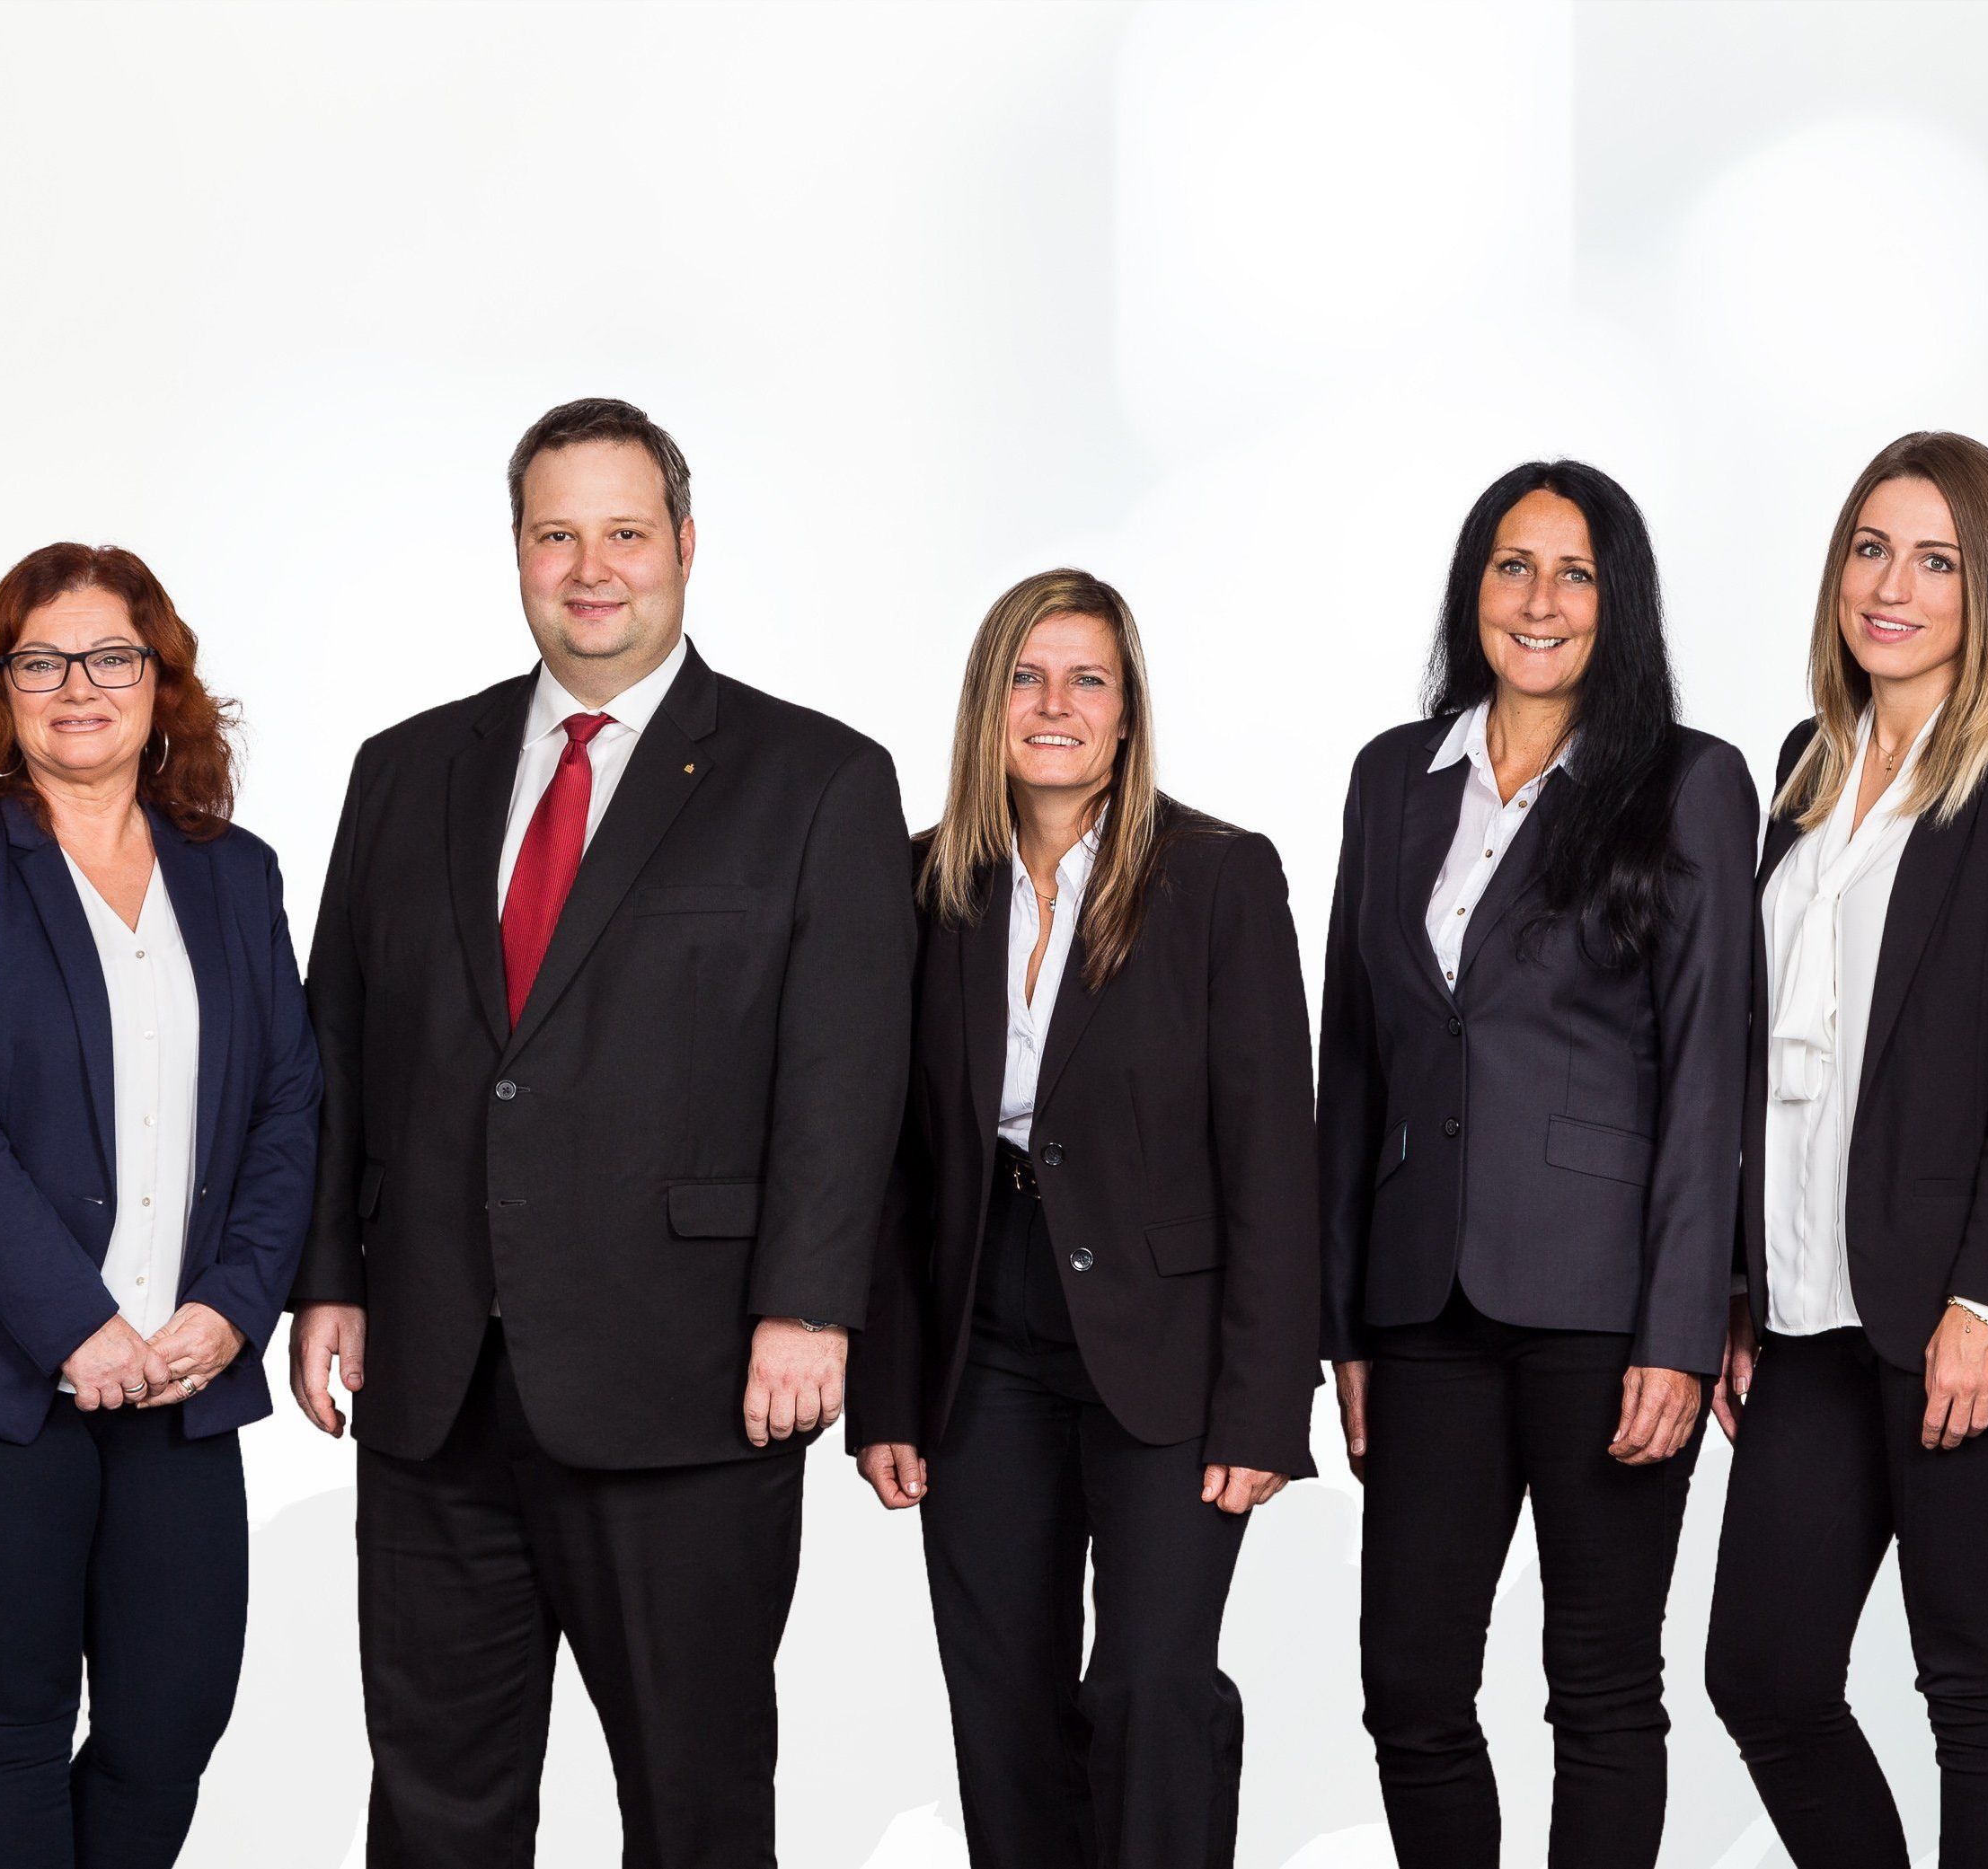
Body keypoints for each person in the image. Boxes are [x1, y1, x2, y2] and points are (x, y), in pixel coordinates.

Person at [287, 397, 914, 1867]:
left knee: (691, 1804)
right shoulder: (407, 769)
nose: (590, 567)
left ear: (684, 547)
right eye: (554, 533)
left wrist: (810, 1305)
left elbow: (846, 1071)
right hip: (437, 1378)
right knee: (437, 1801)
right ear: (514, 550)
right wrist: (330, 1273)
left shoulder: (814, 778)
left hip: (687, 1376)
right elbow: (339, 1045)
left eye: (623, 532)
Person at [0, 544, 320, 1867]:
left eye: (111, 656)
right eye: (40, 662)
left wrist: (230, 1306)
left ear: (163, 682)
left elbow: (288, 1105)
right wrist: (75, 1324)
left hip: (182, 1369)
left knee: (170, 1721)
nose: (78, 686)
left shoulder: (235, 872)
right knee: (10, 1726)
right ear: (0, 692)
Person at [1318, 461, 1757, 1867]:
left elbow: (1708, 1077)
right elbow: (1357, 1059)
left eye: (1574, 573)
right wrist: (1344, 1322)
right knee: (1410, 1690)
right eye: (1512, 565)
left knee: (1603, 1692)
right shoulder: (1394, 776)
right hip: (1420, 1306)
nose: (1539, 600)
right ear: (1472, 586)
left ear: (1614, 603)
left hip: (1603, 1309)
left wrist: (1680, 1332)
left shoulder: (1687, 782)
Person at [846, 569, 1318, 1869]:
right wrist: (884, 1390)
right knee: (1003, 1699)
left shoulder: (1218, 876)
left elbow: (1275, 1153)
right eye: (1026, 677)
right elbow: (888, 1162)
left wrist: (1267, 1402)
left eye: (1086, 679)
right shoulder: (919, 885)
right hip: (977, 1333)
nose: (1054, 704)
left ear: (1125, 710)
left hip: (1165, 1340)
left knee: (1152, 1685)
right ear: (986, 702)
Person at [1704, 430, 1988, 1868]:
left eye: (1934, 559)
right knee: (1759, 1673)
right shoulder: (1805, 764)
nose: (1891, 585)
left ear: (1981, 588)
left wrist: (1987, 1297)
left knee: (1976, 1693)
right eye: (1870, 548)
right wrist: (1743, 1289)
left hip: (1950, 1311)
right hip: (1808, 1313)